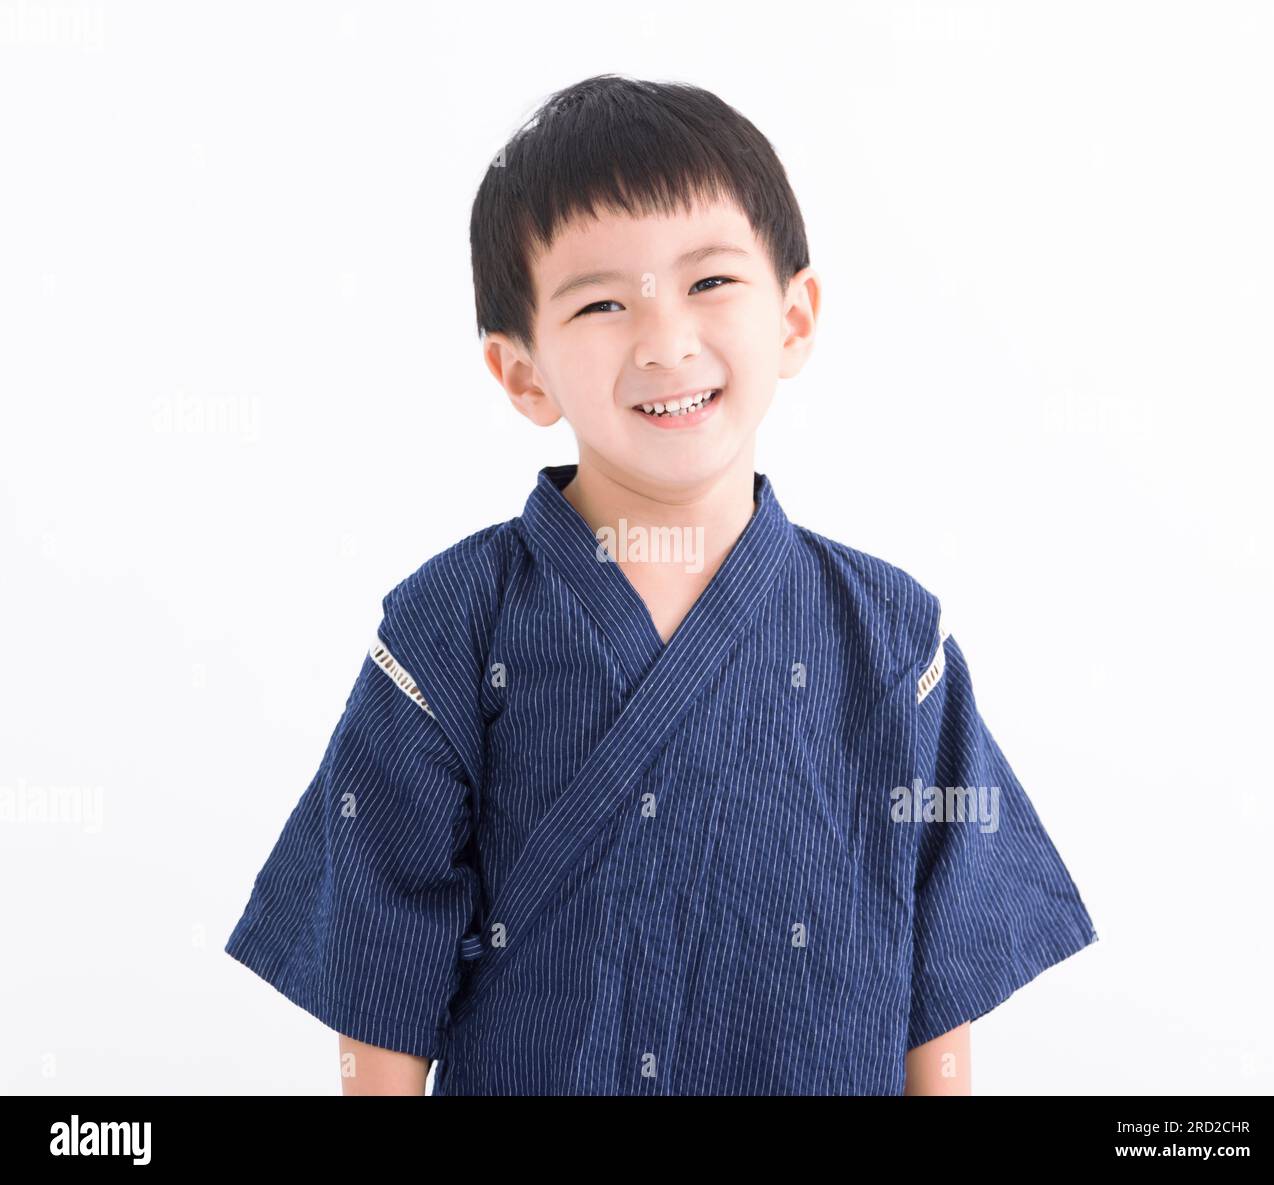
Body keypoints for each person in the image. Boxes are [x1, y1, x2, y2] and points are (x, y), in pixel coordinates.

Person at [224, 73, 1098, 1096]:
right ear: (522, 373)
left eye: (710, 283)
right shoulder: (449, 630)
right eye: (601, 302)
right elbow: (381, 981)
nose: (665, 340)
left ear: (796, 316)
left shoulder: (892, 641)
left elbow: (940, 984)